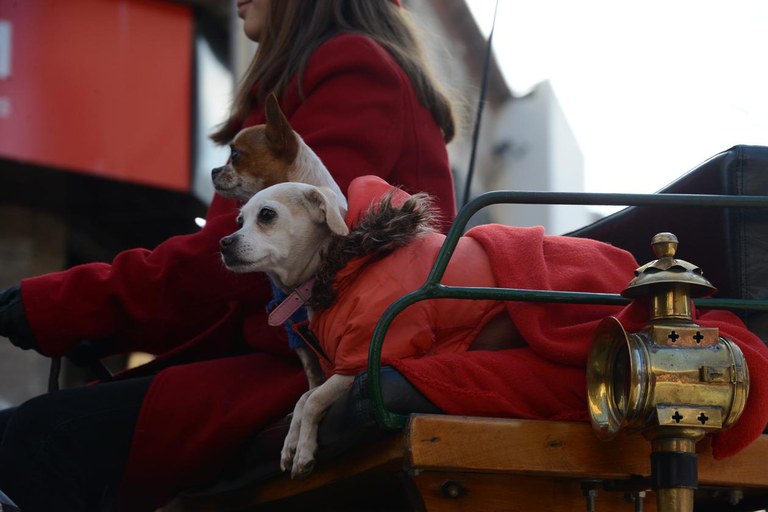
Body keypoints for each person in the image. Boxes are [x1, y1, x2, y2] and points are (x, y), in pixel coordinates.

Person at [0, 0, 459, 510]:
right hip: (282, 352)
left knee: (42, 436)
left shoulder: (355, 67)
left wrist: (76, 301)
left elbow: (267, 254)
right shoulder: (310, 81)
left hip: (326, 360)